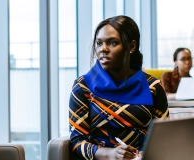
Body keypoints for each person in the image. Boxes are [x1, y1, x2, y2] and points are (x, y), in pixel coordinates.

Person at [68, 15, 169, 160]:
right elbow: (77, 142)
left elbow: (165, 137)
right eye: (98, 43)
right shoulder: (82, 86)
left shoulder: (153, 86)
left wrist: (141, 155)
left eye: (112, 43)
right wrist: (111, 154)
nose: (103, 49)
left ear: (131, 46)